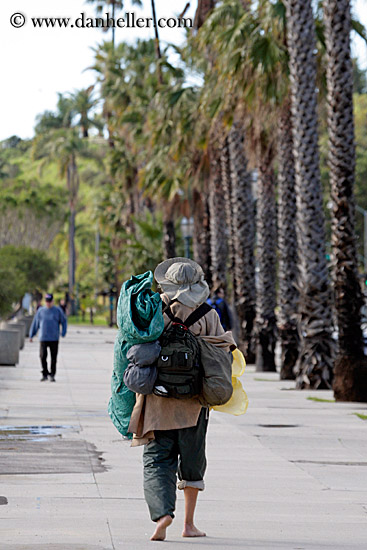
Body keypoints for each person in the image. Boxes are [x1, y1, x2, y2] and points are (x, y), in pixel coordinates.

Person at [127, 258, 236, 541]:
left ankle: (162, 513)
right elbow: (225, 351)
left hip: (156, 401)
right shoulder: (207, 314)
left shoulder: (155, 310)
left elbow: (132, 343)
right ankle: (188, 525)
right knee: (191, 463)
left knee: (157, 459)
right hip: (194, 403)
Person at [29, 293, 67, 382]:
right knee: (42, 356)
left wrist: (63, 332)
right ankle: (44, 373)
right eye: (47, 301)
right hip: (43, 338)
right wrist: (31, 335)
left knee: (53, 357)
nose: (48, 303)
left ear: (53, 301)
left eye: (50, 301)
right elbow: (35, 323)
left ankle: (52, 374)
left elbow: (64, 321)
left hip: (54, 338)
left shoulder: (58, 311)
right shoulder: (41, 311)